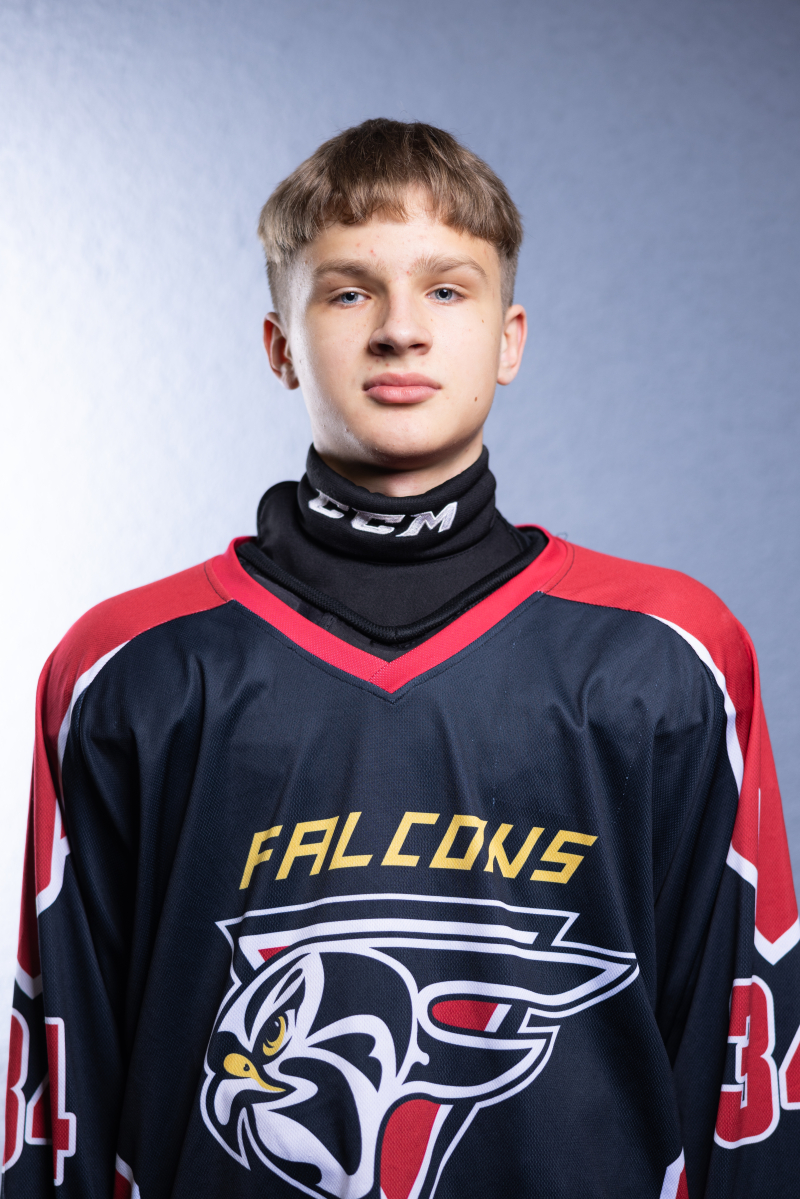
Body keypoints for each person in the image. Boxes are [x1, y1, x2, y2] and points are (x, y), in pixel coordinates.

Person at [2, 118, 798, 1199]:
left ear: (509, 338)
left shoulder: (665, 656)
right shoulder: (129, 670)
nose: (400, 331)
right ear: (279, 344)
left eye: (446, 289)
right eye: (347, 292)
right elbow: (62, 1078)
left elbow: (743, 1067)